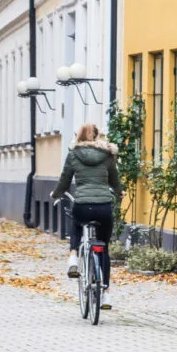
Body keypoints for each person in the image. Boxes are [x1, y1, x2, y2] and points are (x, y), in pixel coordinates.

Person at [51, 123, 121, 310]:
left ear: (79, 137)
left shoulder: (74, 155)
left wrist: (56, 194)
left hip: (82, 205)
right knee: (104, 249)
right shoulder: (107, 155)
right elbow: (115, 180)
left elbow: (65, 180)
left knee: (76, 223)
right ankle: (106, 295)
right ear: (98, 137)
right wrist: (120, 192)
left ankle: (73, 256)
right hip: (104, 207)